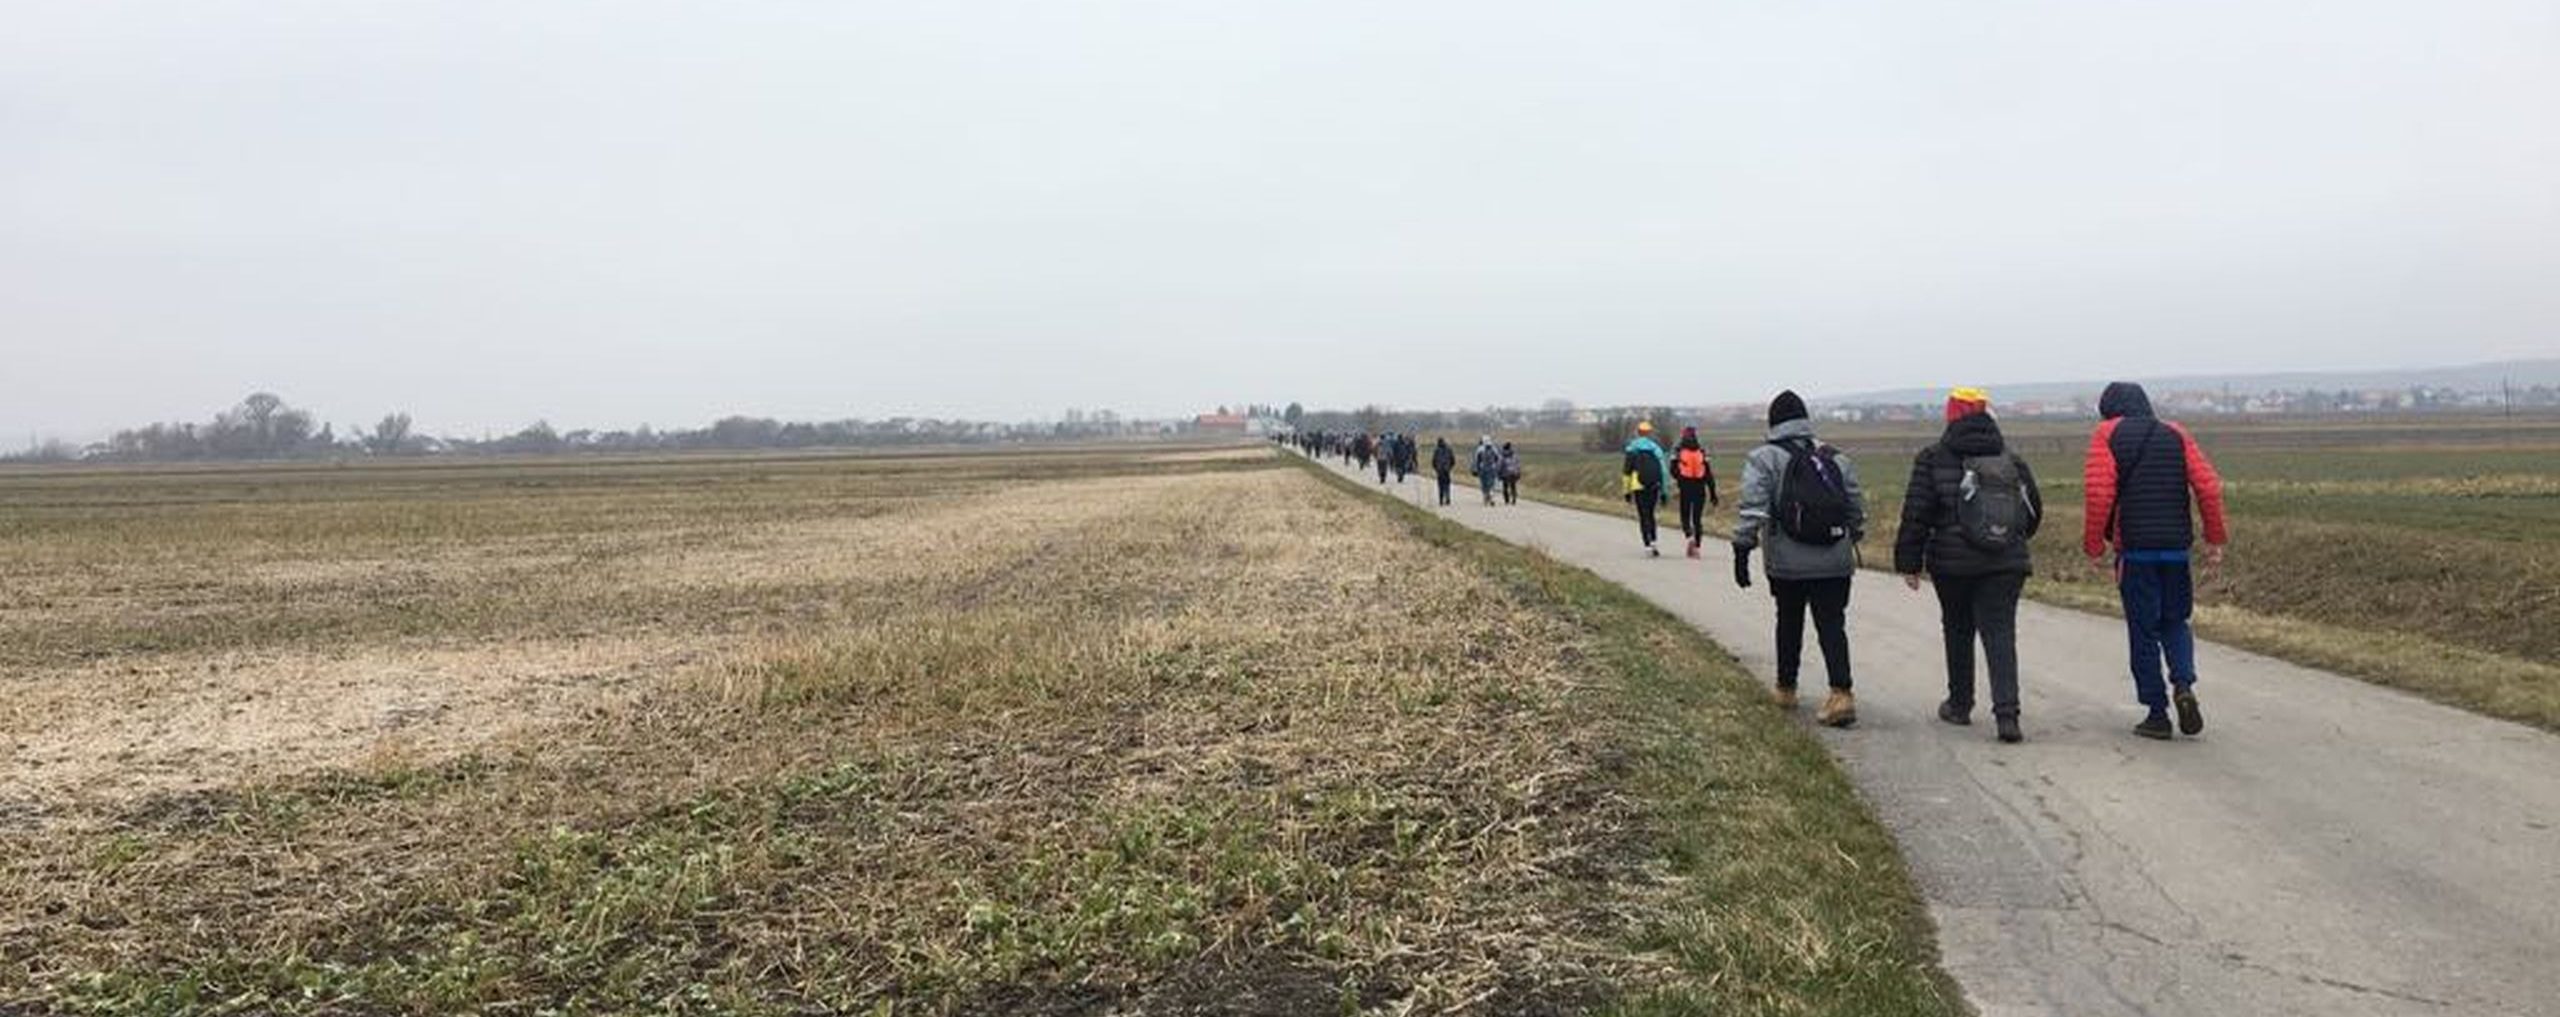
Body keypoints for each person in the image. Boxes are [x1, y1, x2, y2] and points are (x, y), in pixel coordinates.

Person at [1894, 388, 2042, 744]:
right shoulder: (2011, 458)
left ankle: (1960, 704)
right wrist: (2008, 540)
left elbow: (1917, 513)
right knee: (2000, 633)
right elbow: (2033, 512)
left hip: (1952, 563)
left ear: (1951, 416)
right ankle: (2008, 715)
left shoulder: (1932, 458)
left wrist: (1909, 562)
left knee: (1958, 629)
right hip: (2006, 563)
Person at [2083, 382, 2229, 741]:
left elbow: (2099, 493)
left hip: (2135, 550)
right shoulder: (2176, 432)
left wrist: (2093, 546)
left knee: (2143, 629)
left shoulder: (2107, 433)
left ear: (2108, 409)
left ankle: (2157, 713)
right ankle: (2183, 684)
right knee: (2176, 620)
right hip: (2176, 549)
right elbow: (2209, 487)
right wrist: (2214, 538)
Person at [1732, 390, 1865, 727]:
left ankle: (1786, 688)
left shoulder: (1764, 458)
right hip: (1835, 560)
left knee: (1789, 619)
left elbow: (1753, 506)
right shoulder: (1835, 458)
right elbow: (1856, 509)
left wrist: (1743, 546)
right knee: (1832, 623)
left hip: (1787, 563)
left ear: (1773, 423)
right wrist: (1851, 539)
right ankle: (1841, 693)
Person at [1621, 421, 1672, 555]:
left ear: (1637, 432)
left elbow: (1626, 473)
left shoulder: (1631, 449)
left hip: (1638, 486)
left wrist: (1626, 491)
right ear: (1650, 433)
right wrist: (1664, 491)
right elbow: (1664, 472)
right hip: (1654, 485)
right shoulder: (1656, 449)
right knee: (1651, 514)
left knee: (1643, 516)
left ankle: (1647, 545)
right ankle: (1654, 541)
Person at [1671, 425, 1721, 558]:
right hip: (1700, 488)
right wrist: (1713, 494)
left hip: (1685, 488)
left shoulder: (1678, 451)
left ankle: (1689, 537)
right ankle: (1697, 546)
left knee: (1685, 516)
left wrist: (1680, 479)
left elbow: (1673, 471)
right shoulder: (1702, 451)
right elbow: (1709, 474)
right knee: (1697, 519)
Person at [1470, 436, 1502, 505]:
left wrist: (1477, 469)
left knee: (1484, 484)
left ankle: (1485, 497)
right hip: (1492, 469)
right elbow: (1498, 459)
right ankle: (1491, 497)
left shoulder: (1480, 449)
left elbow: (1477, 460)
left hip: (1483, 469)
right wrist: (1496, 467)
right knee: (1491, 484)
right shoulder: (1494, 449)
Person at [1431, 437, 1457, 506]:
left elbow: (1433, 461)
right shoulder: (1449, 449)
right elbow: (1453, 460)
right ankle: (1448, 497)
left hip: (1440, 471)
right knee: (1447, 485)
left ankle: (1441, 500)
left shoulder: (1436, 450)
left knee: (1440, 486)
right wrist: (1449, 468)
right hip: (1446, 470)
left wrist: (1436, 469)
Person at [1497, 441, 1522, 505]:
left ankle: (1507, 500)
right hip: (1514, 473)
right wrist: (1518, 472)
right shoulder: (1514, 455)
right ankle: (1514, 498)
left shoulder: (1502, 455)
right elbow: (1518, 464)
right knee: (1513, 486)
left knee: (1505, 487)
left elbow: (1500, 465)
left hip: (1505, 474)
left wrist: (1498, 473)